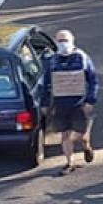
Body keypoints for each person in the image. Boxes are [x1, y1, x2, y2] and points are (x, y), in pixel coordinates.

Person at [38, 29, 98, 174]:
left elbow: (93, 80)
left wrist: (90, 100)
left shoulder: (82, 57)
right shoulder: (52, 61)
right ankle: (69, 163)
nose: (63, 44)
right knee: (65, 135)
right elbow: (45, 83)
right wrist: (45, 103)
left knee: (81, 135)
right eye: (60, 41)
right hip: (61, 104)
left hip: (79, 104)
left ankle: (86, 146)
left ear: (72, 41)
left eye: (65, 41)